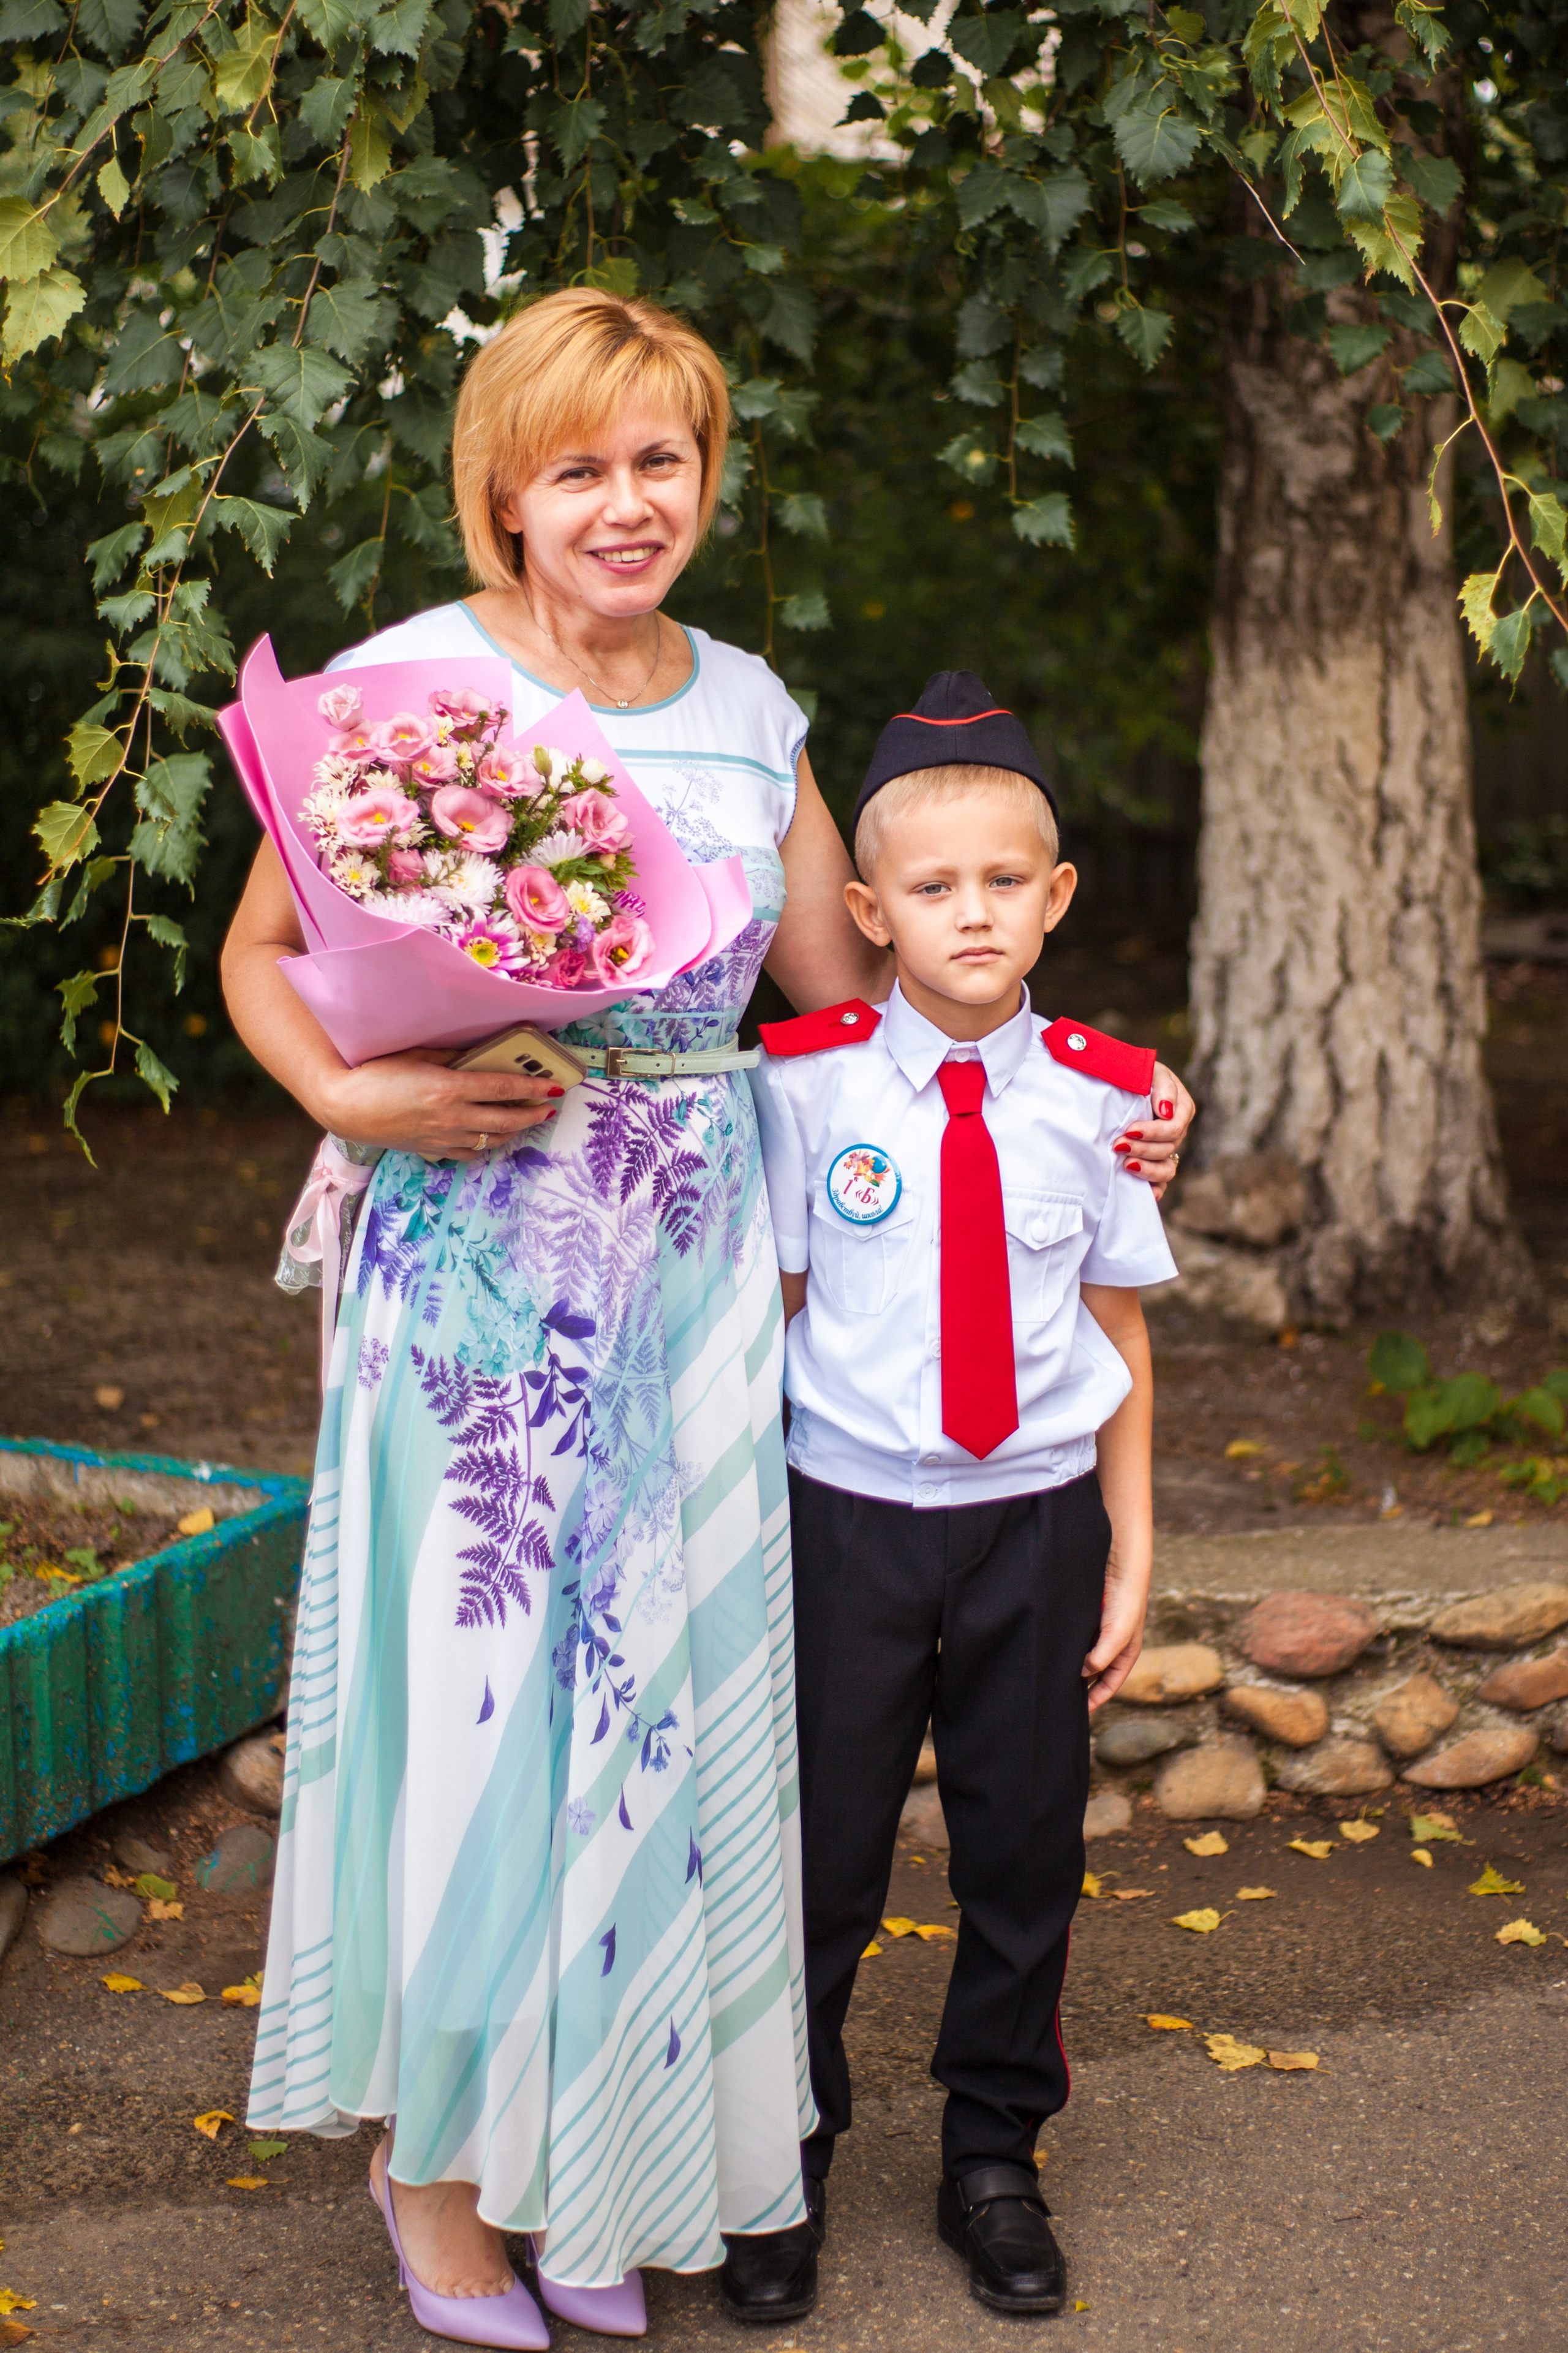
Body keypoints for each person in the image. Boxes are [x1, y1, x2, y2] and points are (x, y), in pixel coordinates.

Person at [221, 290, 1194, 2346]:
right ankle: (438, 2185)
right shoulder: (409, 680)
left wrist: (1113, 1094)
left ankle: (592, 2158)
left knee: (648, 1737)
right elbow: (262, 952)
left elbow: (878, 978)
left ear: (705, 477)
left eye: (661, 461)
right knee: (483, 1724)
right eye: (580, 466)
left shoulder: (751, 707)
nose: (626, 502)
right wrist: (343, 1090)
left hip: (693, 1273)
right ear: (506, 489)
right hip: (479, 1273)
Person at [748, 671, 1178, 2321]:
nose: (973, 911)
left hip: (1036, 1522)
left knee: (1022, 1855)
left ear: (1057, 896)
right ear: (868, 910)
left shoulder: (1102, 1096)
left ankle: (994, 2151)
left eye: (1008, 879)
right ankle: (778, 2151)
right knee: (819, 1859)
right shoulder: (804, 1083)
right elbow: (775, 1314)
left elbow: (1120, 1330)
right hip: (845, 1522)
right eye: (932, 887)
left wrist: (1134, 1546)